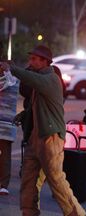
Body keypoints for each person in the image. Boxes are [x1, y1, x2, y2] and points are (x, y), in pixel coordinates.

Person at [0, 45, 86, 215]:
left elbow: (30, 79)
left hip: (51, 138)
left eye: (34, 59)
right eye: (30, 58)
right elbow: (38, 105)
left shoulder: (51, 78)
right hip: (36, 138)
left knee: (56, 180)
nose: (30, 62)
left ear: (44, 62)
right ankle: (29, 211)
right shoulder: (39, 79)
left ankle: (77, 213)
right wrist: (24, 115)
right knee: (28, 180)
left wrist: (12, 68)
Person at [0, 42, 19, 195]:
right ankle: (4, 184)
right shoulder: (17, 81)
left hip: (2, 122)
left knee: (5, 155)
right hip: (9, 124)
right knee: (5, 155)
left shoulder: (5, 80)